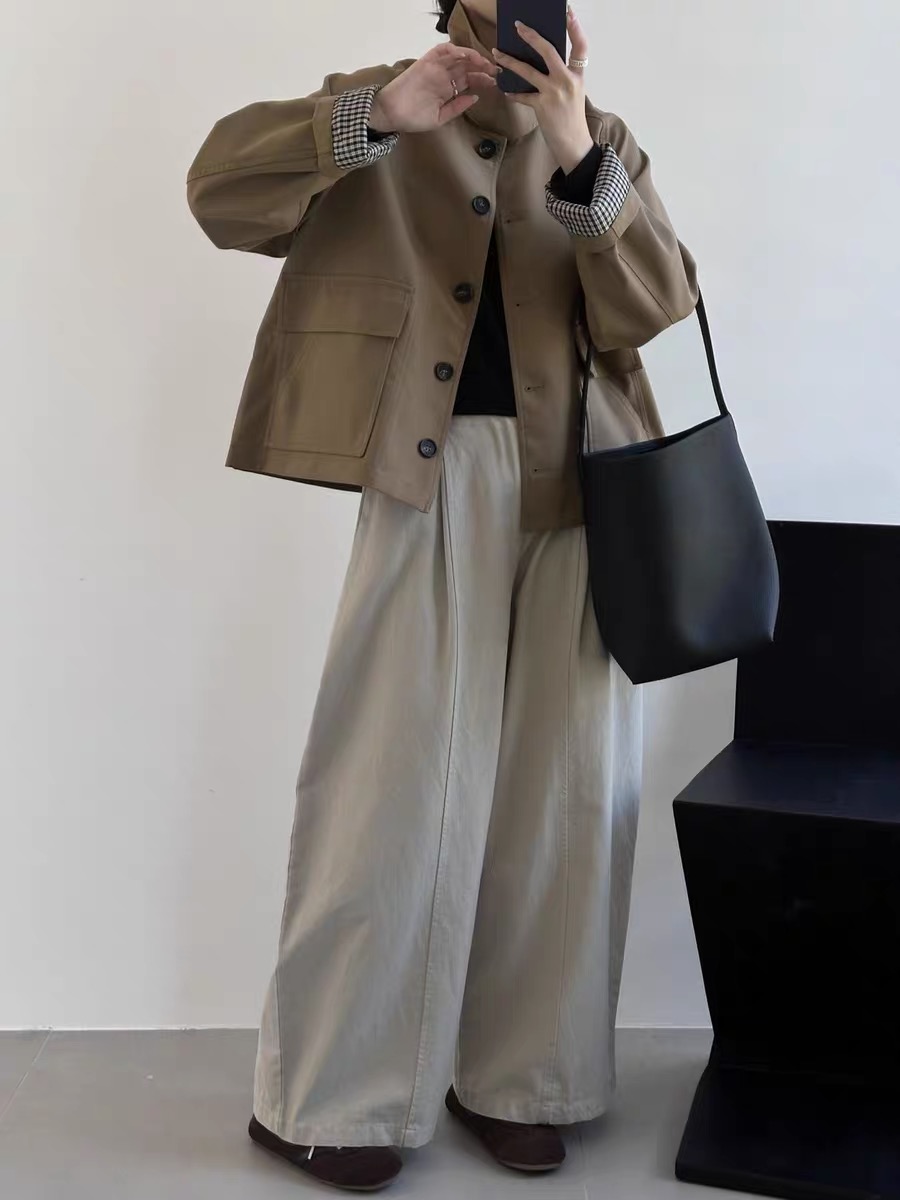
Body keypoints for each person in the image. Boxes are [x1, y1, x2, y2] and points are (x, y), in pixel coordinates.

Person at [187, 0, 698, 1190]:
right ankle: (333, 1094)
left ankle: (523, 1079)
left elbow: (658, 304)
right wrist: (376, 115)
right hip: (428, 476)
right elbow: (220, 194)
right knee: (394, 786)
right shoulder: (385, 108)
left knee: (566, 796)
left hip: (590, 485)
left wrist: (578, 152)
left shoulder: (601, 135)